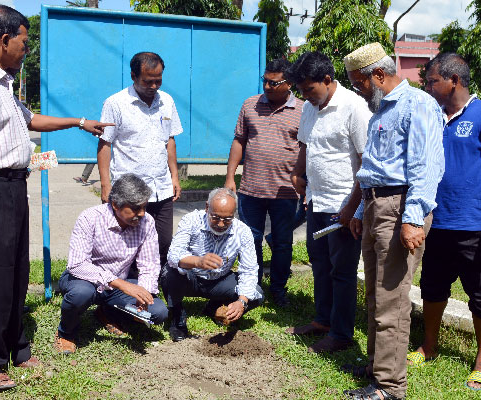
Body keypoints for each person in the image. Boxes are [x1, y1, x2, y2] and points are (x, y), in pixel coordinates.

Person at [0, 5, 112, 391]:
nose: (26, 50)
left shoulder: (2, 82)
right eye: (24, 42)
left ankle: (16, 347)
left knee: (14, 272)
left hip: (14, 186)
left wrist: (80, 122)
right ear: (4, 40)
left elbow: (28, 120)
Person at [407, 53, 481, 391]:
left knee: (480, 293)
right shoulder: (431, 116)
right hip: (435, 223)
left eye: (432, 81)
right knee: (433, 287)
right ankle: (429, 344)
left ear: (453, 80)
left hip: (476, 226)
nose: (427, 86)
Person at [343, 43, 445, 400]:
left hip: (400, 208)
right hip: (376, 206)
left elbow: (426, 166)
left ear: (379, 75)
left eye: (360, 84)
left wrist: (413, 219)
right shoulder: (380, 111)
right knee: (374, 294)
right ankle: (375, 366)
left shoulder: (417, 105)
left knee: (391, 298)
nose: (359, 91)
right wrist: (360, 212)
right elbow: (373, 169)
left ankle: (389, 386)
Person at [284, 51, 371, 353]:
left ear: (327, 79)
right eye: (301, 90)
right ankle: (322, 320)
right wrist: (298, 174)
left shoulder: (354, 107)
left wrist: (352, 208)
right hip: (316, 202)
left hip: (343, 207)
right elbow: (307, 147)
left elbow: (366, 161)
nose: (304, 96)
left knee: (342, 272)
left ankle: (342, 333)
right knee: (320, 263)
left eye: (308, 89)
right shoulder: (311, 106)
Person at [55, 174, 168, 353]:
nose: (142, 214)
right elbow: (77, 265)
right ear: (115, 205)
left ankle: (107, 313)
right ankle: (66, 333)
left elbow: (149, 264)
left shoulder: (147, 223)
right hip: (84, 281)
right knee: (80, 294)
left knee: (158, 312)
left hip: (117, 288)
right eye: (135, 208)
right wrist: (121, 284)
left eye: (144, 207)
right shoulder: (90, 218)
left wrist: (143, 295)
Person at [224, 58, 303, 307]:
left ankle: (278, 289)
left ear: (289, 83)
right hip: (251, 190)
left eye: (274, 82)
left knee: (282, 243)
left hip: (286, 192)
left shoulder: (303, 110)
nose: (268, 86)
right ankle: (253, 286)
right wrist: (230, 177)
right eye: (265, 81)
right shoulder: (250, 105)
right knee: (251, 240)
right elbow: (239, 141)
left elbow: (306, 148)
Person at [97, 52, 182, 278]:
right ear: (134, 76)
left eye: (158, 80)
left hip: (161, 186)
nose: (154, 85)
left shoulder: (167, 101)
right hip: (129, 191)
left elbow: (169, 140)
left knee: (163, 240)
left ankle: (156, 283)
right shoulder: (115, 103)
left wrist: (174, 176)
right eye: (147, 81)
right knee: (129, 243)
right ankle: (130, 288)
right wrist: (106, 184)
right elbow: (105, 144)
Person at [163, 188, 264, 342]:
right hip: (191, 278)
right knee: (169, 272)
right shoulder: (191, 220)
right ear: (206, 208)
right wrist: (198, 261)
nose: (221, 224)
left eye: (228, 219)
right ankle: (177, 316)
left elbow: (249, 270)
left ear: (234, 214)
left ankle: (214, 308)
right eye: (215, 217)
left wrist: (241, 302)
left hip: (219, 281)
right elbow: (173, 255)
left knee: (256, 294)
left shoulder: (243, 231)